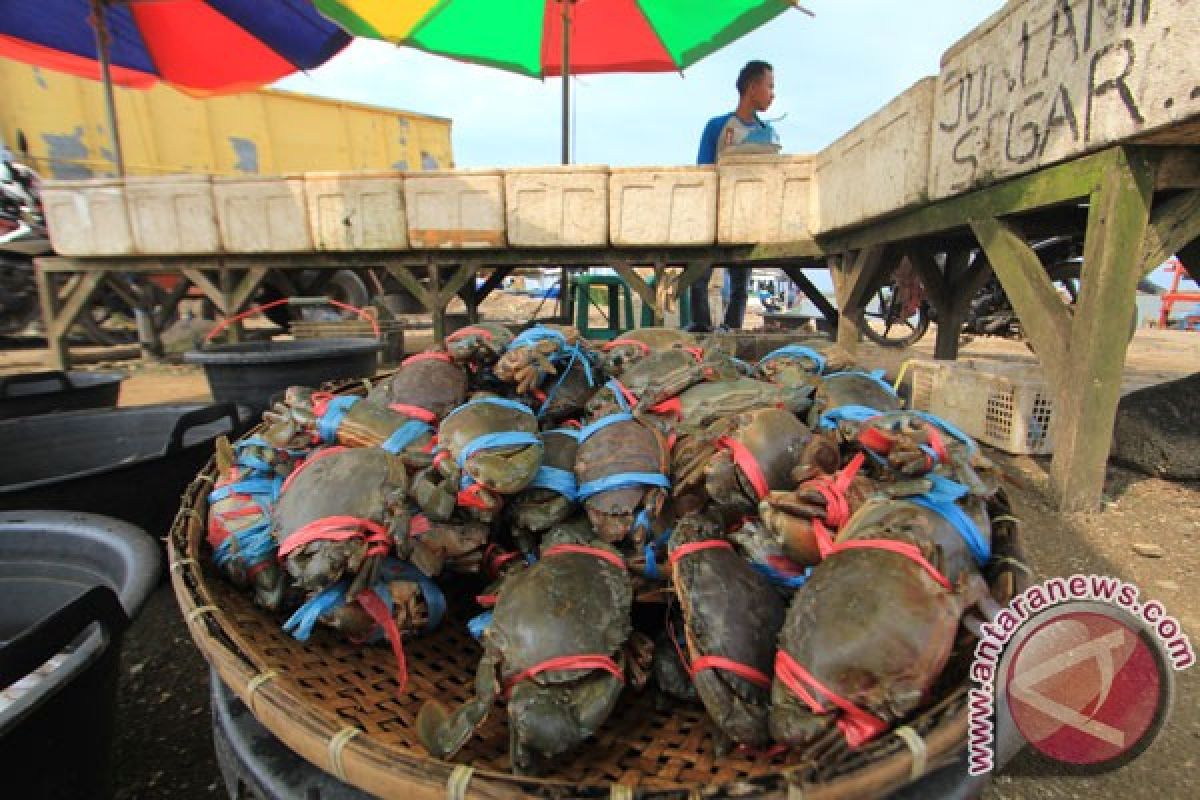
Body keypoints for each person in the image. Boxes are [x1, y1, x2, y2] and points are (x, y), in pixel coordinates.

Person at [689, 60, 779, 332]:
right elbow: (702, 172)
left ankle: (733, 329)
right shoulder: (717, 126)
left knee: (741, 281)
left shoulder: (769, 134)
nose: (773, 93)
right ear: (752, 88)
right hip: (712, 214)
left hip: (748, 218)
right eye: (770, 86)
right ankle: (701, 327)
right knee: (699, 276)